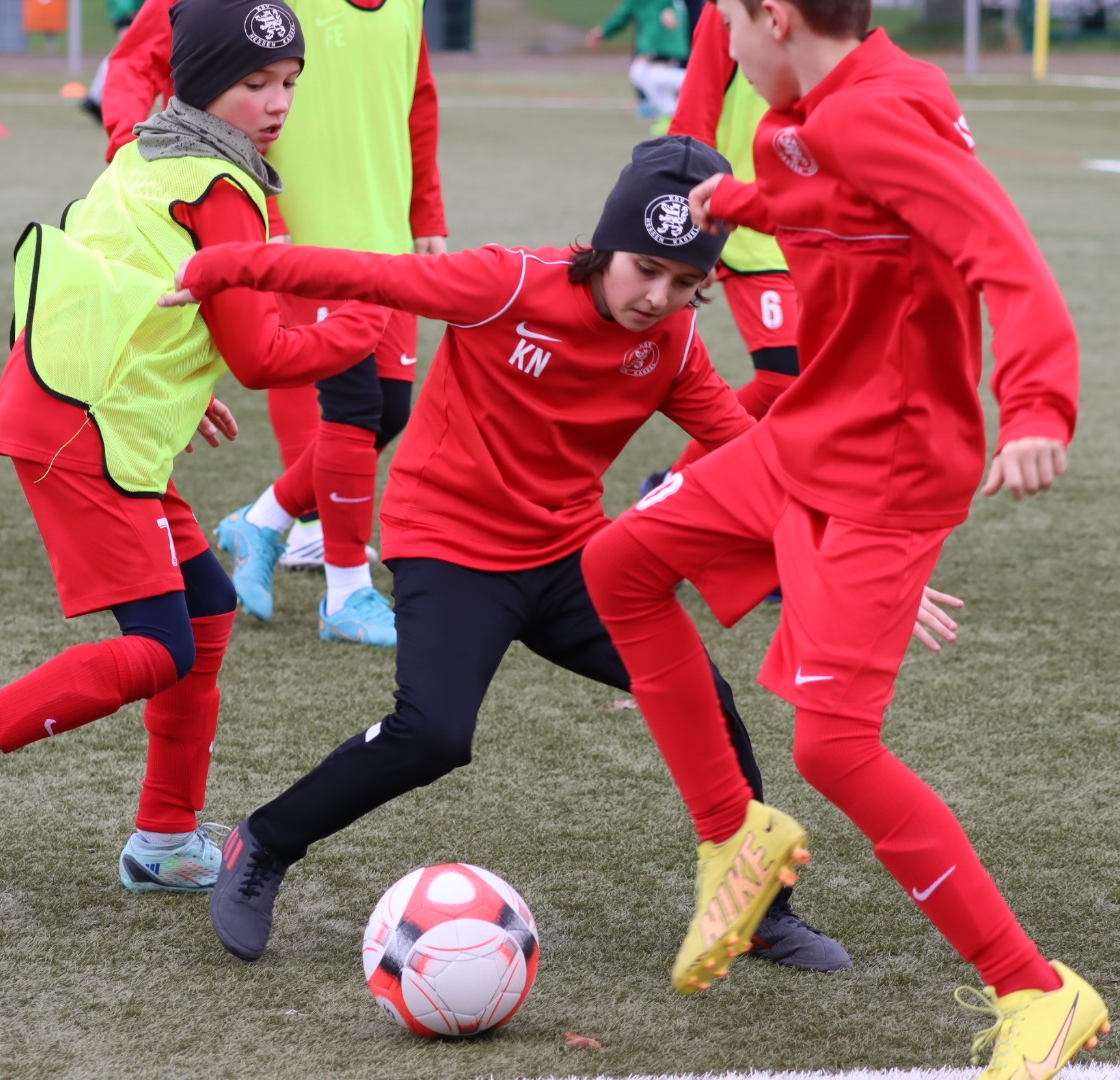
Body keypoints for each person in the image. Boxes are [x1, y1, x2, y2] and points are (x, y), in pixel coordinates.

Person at [164, 136, 871, 973]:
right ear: (607, 246)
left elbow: (753, 454)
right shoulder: (504, 284)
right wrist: (223, 267)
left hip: (571, 553)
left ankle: (756, 910)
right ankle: (264, 843)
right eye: (645, 269)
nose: (659, 296)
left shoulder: (674, 344)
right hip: (449, 544)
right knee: (432, 735)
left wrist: (836, 547)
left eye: (686, 282)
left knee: (706, 702)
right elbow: (369, 275)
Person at [579, 0, 1110, 1074]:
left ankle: (1036, 989)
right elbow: (841, 196)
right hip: (817, 432)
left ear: (775, 17)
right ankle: (735, 833)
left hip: (889, 467)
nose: (721, 42)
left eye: (727, 21)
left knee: (834, 748)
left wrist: (1039, 404)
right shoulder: (828, 108)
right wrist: (743, 199)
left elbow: (1003, 254)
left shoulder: (869, 115)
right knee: (621, 562)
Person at [0, 0, 389, 893]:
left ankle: (165, 840)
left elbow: (105, 279)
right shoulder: (221, 187)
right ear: (204, 81)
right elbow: (263, 357)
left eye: (289, 82)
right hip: (88, 430)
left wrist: (180, 387)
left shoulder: (150, 151)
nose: (277, 102)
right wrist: (365, 321)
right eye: (254, 82)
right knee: (160, 647)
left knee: (208, 610)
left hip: (88, 411)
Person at [103, 0, 448, 646]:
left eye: (287, 83)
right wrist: (141, 155)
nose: (279, 97)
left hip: (385, 238)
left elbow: (416, 96)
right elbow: (139, 58)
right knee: (354, 409)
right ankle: (347, 591)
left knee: (388, 410)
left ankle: (263, 520)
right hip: (295, 236)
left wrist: (425, 208)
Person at [640, 1, 797, 500]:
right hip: (749, 229)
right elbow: (692, 123)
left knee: (831, 381)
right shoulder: (725, 9)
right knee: (784, 377)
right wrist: (694, 239)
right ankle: (672, 492)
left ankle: (799, 499)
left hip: (821, 227)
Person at [587, 0, 690, 125]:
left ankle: (680, 105)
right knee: (642, 74)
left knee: (648, 75)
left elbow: (676, 11)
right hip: (662, 45)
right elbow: (623, 16)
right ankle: (672, 114)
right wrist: (604, 32)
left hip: (662, 45)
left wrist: (673, 16)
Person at [81, 0, 150, 126]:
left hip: (133, 9)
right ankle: (96, 98)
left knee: (126, 53)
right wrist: (127, 11)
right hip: (128, 9)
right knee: (123, 53)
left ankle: (97, 97)